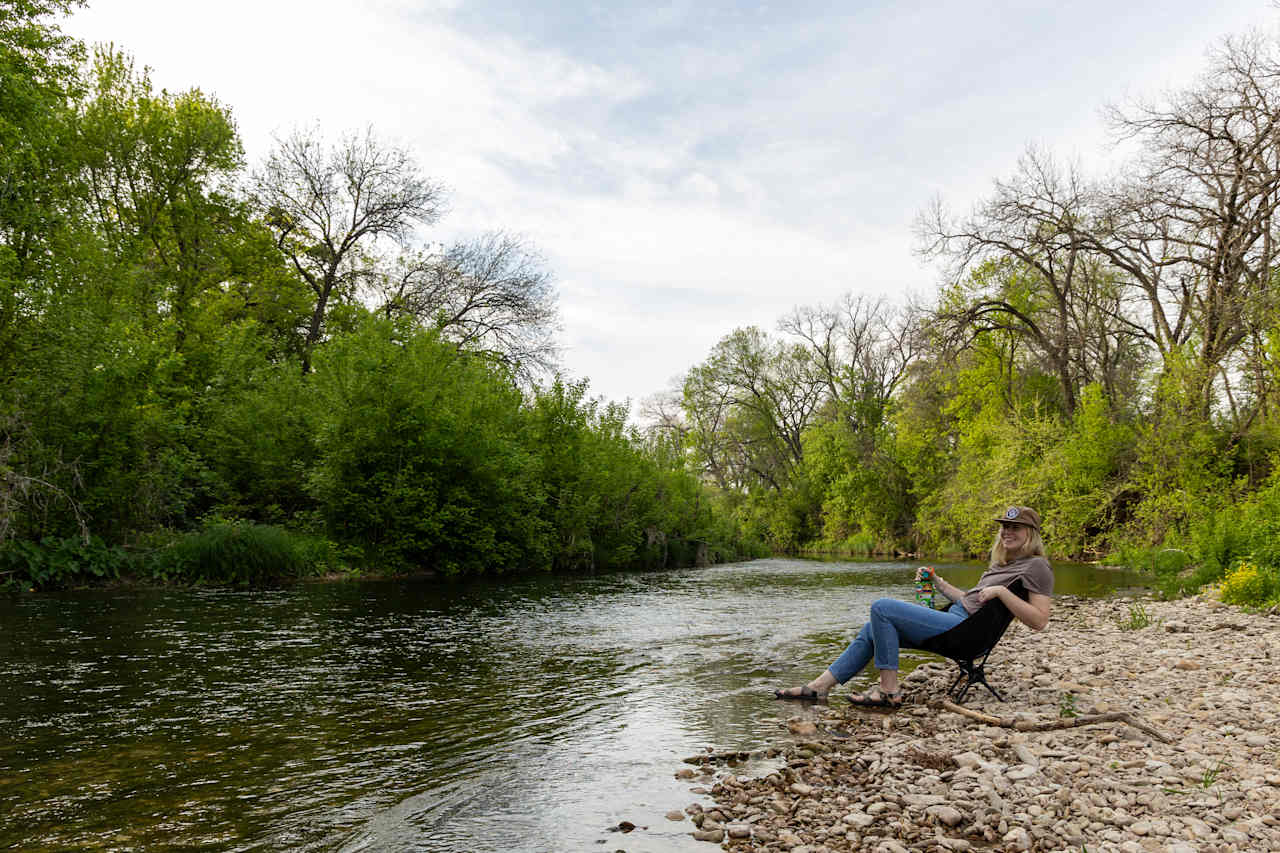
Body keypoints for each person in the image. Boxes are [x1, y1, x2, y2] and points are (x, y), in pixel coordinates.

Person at [774, 505, 1054, 708]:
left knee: (882, 607)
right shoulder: (1004, 564)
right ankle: (818, 689)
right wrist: (938, 582)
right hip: (959, 622)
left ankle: (889, 691)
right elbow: (971, 601)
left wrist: (1003, 592)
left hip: (966, 635)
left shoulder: (1037, 566)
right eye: (1005, 526)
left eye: (1015, 527)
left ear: (1030, 533)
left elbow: (1040, 621)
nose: (1007, 532)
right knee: (874, 627)